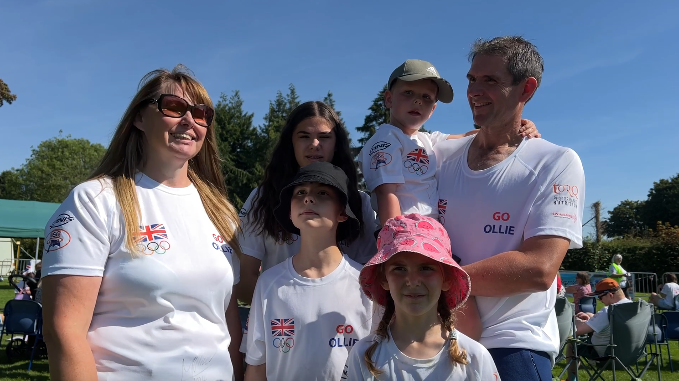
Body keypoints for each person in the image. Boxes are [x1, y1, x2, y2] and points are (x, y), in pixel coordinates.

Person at [41, 65, 244, 381]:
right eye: (174, 107)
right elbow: (63, 330)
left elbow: (225, 318)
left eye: (201, 113)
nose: (190, 120)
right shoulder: (96, 200)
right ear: (139, 118)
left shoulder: (222, 212)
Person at [433, 36, 586, 381]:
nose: (474, 90)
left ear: (525, 89)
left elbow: (538, 268)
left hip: (511, 345)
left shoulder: (556, 162)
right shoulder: (441, 156)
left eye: (490, 81)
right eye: (472, 78)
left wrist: (436, 282)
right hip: (438, 335)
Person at [358, 59, 539, 226]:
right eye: (408, 93)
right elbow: (386, 193)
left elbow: (470, 135)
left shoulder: (426, 139)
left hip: (430, 231)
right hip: (402, 230)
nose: (417, 101)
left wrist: (518, 126)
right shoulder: (386, 139)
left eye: (427, 97)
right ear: (389, 99)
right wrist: (395, 239)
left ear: (433, 110)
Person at [236, 101, 378, 305]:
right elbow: (244, 278)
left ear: (336, 143)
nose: (314, 144)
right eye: (304, 136)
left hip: (343, 324)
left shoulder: (359, 202)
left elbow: (368, 276)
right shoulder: (263, 198)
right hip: (282, 328)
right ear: (290, 142)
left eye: (324, 137)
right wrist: (284, 313)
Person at [244, 162, 376, 381]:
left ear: (342, 212)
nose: (308, 198)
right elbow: (257, 366)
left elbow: (378, 364)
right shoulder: (269, 283)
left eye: (322, 192)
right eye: (300, 192)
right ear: (290, 212)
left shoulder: (366, 284)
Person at [343, 213, 499, 381]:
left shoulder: (474, 357)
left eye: (426, 268)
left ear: (446, 279)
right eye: (399, 269)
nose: (413, 281)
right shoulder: (364, 355)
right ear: (383, 279)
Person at [565, 278, 631, 381]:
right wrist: (594, 317)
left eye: (600, 297)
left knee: (572, 343)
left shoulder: (609, 311)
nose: (599, 300)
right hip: (631, 355)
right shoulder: (634, 308)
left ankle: (572, 379)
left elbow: (578, 330)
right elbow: (609, 323)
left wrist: (576, 320)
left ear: (610, 295)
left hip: (605, 355)